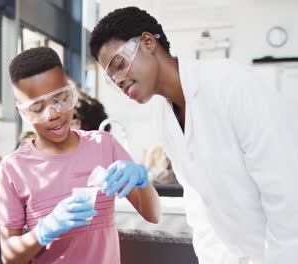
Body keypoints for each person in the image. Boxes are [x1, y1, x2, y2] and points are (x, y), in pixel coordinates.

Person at [89, 6, 298, 264]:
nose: (119, 80)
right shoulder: (165, 117)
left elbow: (287, 198)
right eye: (111, 78)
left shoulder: (232, 85)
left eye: (119, 64)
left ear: (147, 42)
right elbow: (201, 208)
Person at [0, 47, 160, 263]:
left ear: (70, 92)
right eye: (37, 108)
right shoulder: (14, 168)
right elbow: (9, 258)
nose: (53, 113)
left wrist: (142, 180)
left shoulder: (104, 145)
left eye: (60, 99)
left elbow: (153, 215)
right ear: (23, 113)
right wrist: (44, 230)